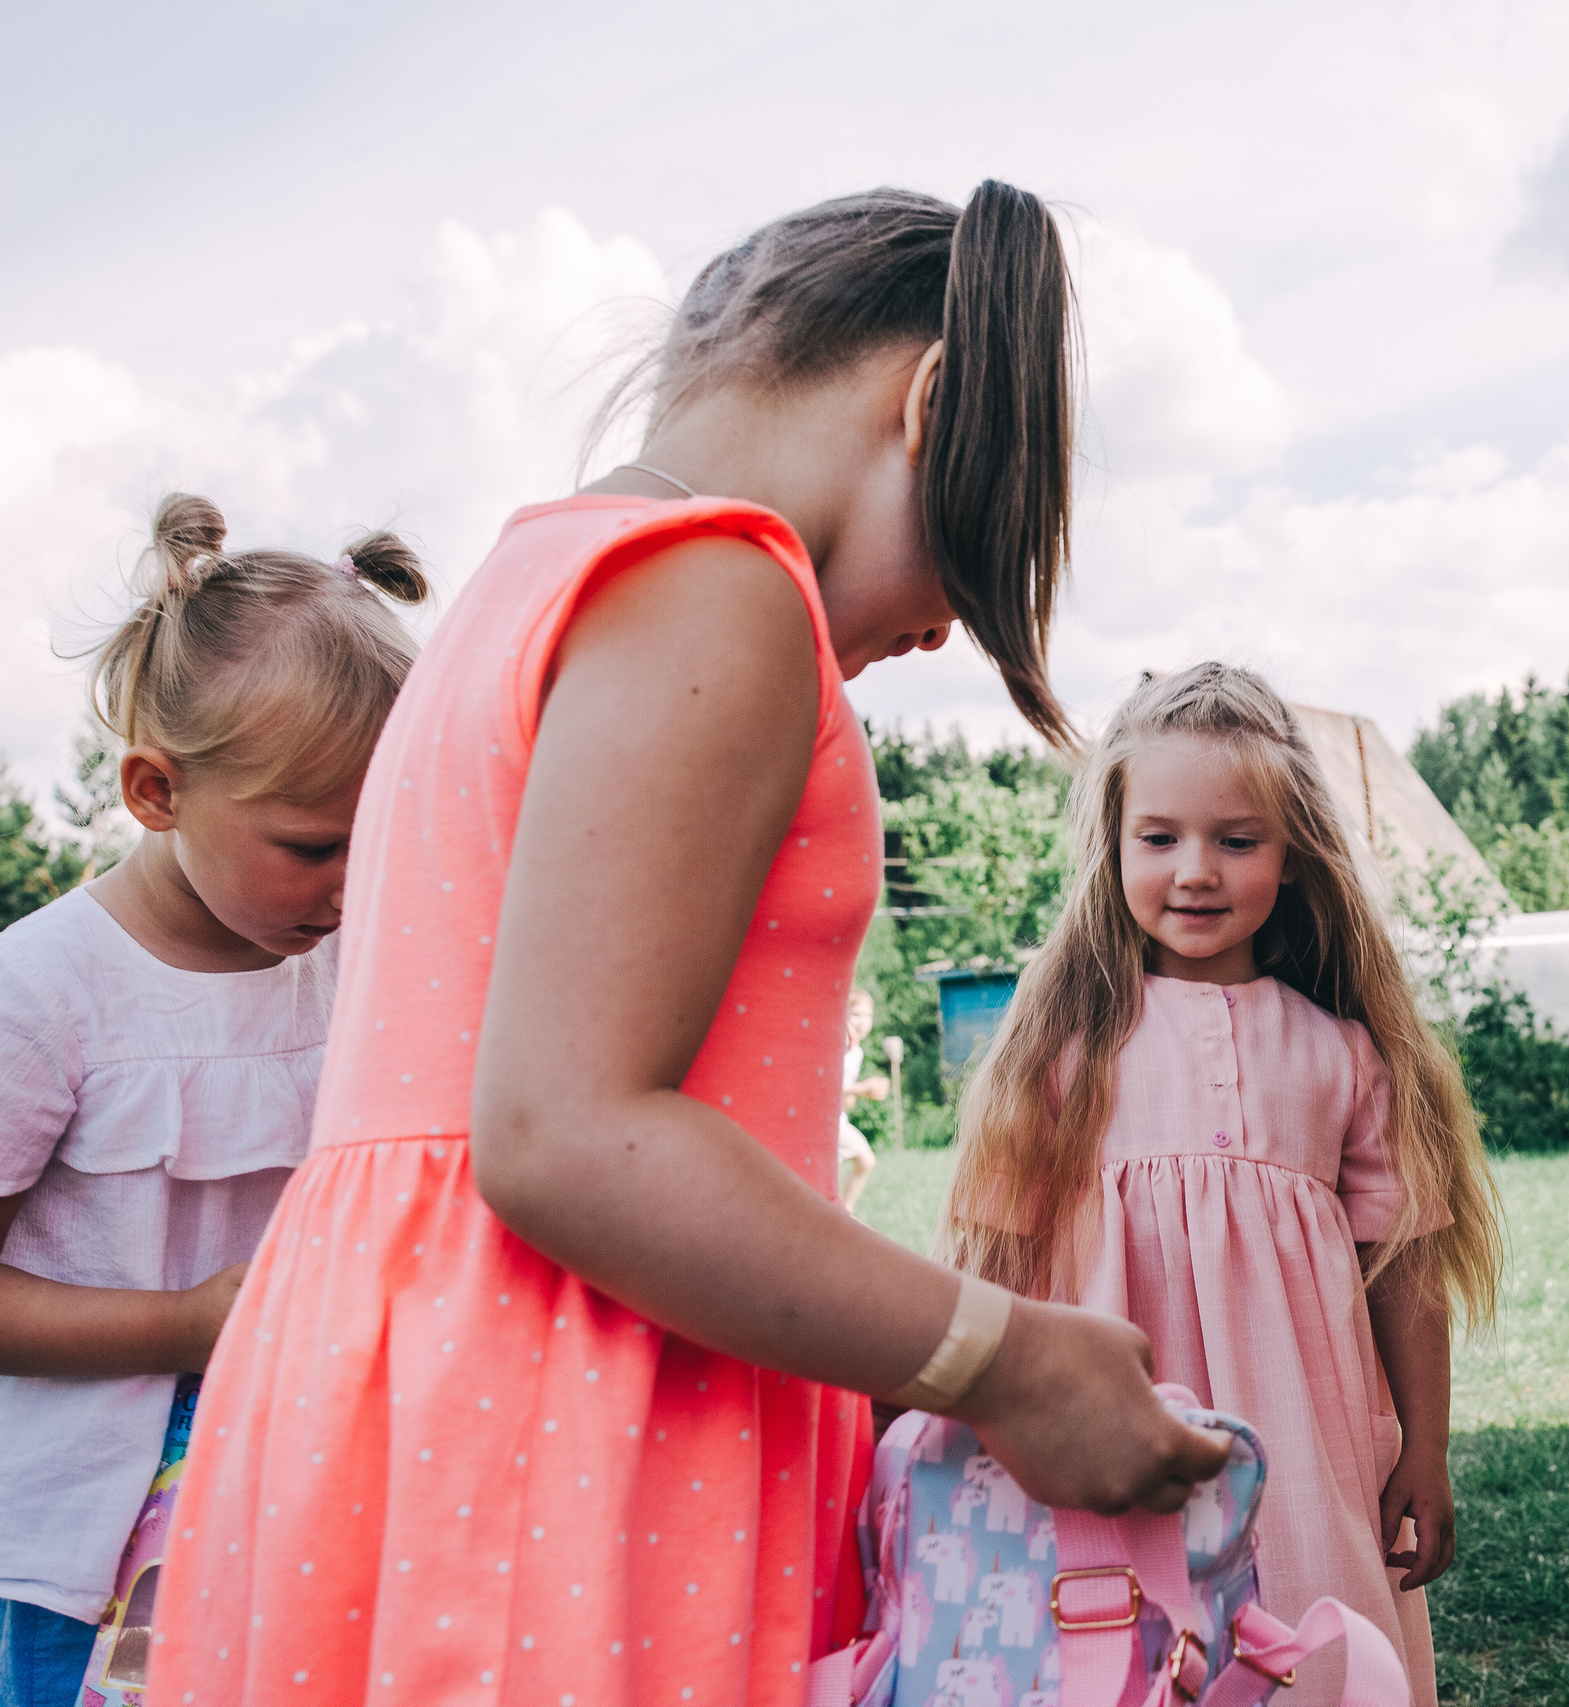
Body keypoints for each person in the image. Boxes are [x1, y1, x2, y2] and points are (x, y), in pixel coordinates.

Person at [153, 182, 1230, 1707]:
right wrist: (1001, 1354)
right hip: (576, 1418)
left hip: (420, 1406)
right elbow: (567, 1132)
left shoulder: (519, 582)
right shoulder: (718, 586)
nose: (938, 626)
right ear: (927, 399)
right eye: (970, 561)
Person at [944, 662, 1504, 1706]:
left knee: (1311, 1648)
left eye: (1236, 840)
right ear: (1113, 850)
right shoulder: (1066, 1051)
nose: (1194, 870)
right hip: (1113, 1442)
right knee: (1123, 1651)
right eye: (1158, 838)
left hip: (1307, 1457)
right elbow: (991, 1252)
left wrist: (1425, 1447)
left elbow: (1405, 1263)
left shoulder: (1345, 1056)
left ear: (1293, 858)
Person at [0, 495, 425, 1705]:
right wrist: (186, 1324)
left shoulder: (367, 967)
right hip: (75, 1574)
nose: (354, 886)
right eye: (312, 846)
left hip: (314, 1517)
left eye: (382, 836)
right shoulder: (45, 994)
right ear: (154, 791)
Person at [839, 988, 887, 1208]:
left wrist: (850, 1097)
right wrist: (862, 1089)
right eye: (856, 1014)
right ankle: (843, 1211)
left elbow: (842, 1090)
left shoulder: (856, 1052)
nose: (862, 1022)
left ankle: (843, 1210)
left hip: (837, 1119)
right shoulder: (838, 1045)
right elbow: (830, 1085)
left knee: (865, 1162)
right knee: (865, 1160)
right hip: (827, 1124)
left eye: (868, 1016)